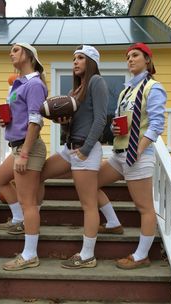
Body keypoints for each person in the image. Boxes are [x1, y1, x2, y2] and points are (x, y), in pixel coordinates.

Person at [97, 42, 167, 269]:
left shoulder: (153, 87)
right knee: (90, 183)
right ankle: (113, 222)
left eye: (135, 55)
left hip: (139, 154)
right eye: (127, 56)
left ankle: (141, 255)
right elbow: (125, 121)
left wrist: (138, 149)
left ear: (147, 59)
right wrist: (116, 130)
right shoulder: (126, 91)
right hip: (119, 154)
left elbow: (156, 124)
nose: (130, 59)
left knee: (144, 206)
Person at [39, 45, 108, 269]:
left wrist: (86, 149)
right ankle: (28, 218)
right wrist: (64, 123)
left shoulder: (97, 82)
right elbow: (74, 125)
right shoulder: (74, 92)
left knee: (88, 205)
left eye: (80, 58)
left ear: (91, 61)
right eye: (74, 59)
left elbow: (100, 120)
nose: (75, 62)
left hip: (85, 151)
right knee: (38, 175)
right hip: (70, 149)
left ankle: (87, 255)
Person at [0, 43, 48, 270]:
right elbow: (22, 115)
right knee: (0, 179)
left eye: (15, 50)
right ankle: (17, 220)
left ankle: (29, 255)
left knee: (29, 203)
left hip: (28, 148)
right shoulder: (19, 84)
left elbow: (36, 121)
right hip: (17, 146)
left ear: (28, 55)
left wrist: (24, 153)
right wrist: (6, 121)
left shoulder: (35, 84)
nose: (11, 53)